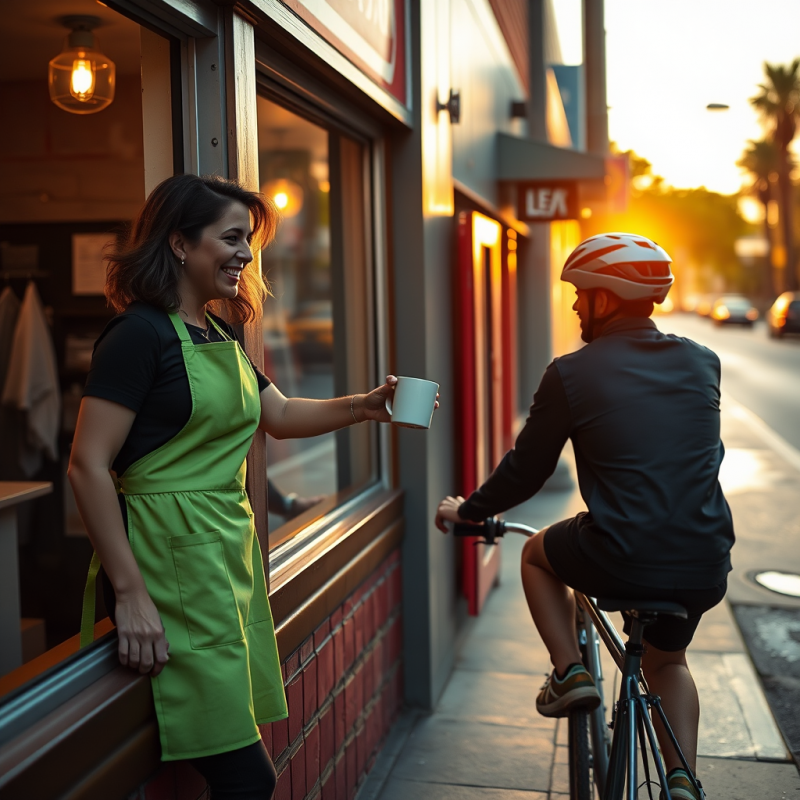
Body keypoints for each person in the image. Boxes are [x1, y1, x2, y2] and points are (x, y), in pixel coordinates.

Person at [68, 174, 424, 800]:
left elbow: (279, 416)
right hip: (167, 566)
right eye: (231, 237)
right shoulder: (138, 336)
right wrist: (129, 594)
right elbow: (87, 465)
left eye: (249, 241)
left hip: (222, 565)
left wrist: (365, 406)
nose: (245, 255)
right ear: (180, 243)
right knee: (248, 779)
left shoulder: (219, 334)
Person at [435, 232, 734, 800]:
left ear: (606, 299)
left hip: (620, 552)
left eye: (581, 293)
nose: (574, 304)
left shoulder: (571, 372)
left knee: (535, 555)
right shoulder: (704, 362)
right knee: (669, 662)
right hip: (704, 560)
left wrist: (470, 511)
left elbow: (528, 470)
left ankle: (570, 672)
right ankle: (682, 784)